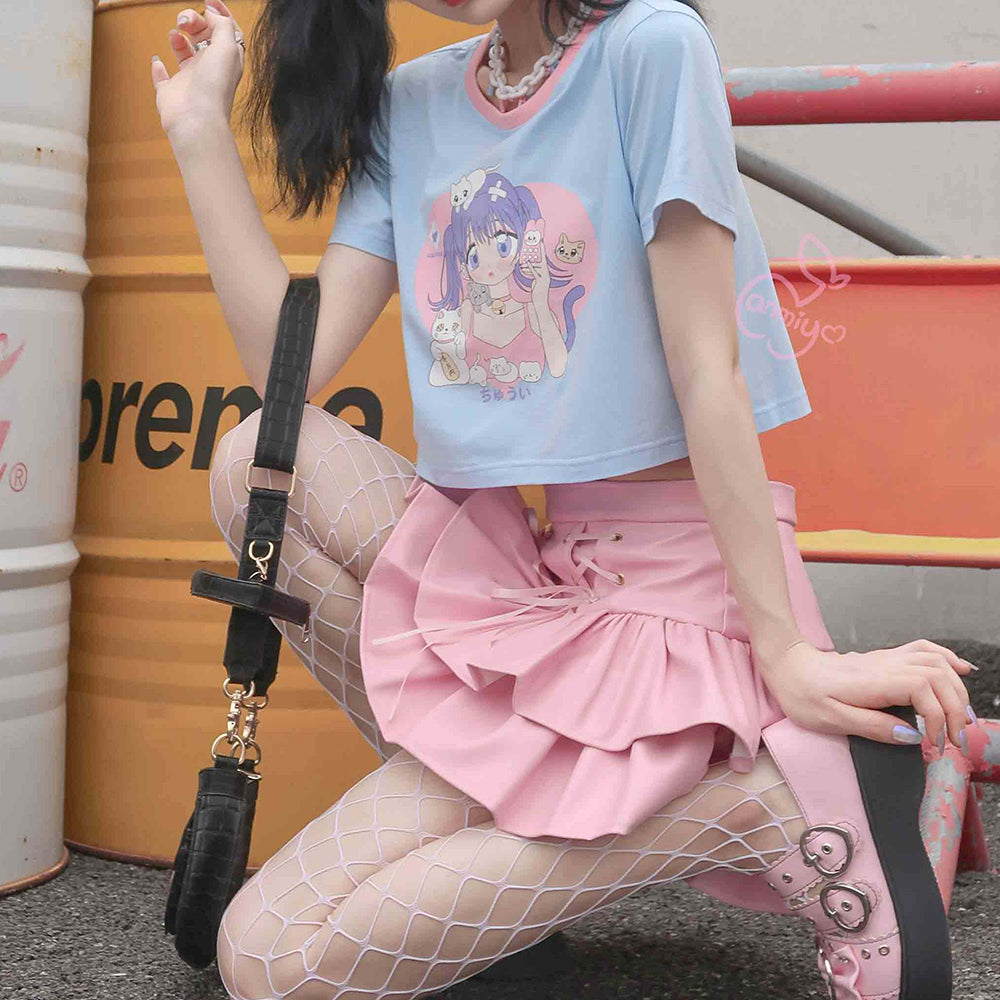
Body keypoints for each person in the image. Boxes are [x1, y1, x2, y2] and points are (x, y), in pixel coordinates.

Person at [152, 1, 976, 997]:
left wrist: (786, 653)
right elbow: (291, 362)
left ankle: (769, 803)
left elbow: (706, 371)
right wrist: (198, 131)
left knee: (270, 960)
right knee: (253, 460)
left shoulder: (649, 48)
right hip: (548, 586)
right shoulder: (415, 102)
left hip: (682, 601)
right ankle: (497, 905)